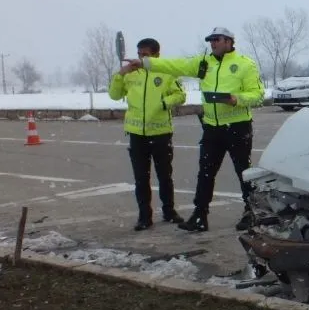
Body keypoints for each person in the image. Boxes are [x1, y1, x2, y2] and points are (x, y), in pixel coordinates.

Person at [122, 27, 265, 233]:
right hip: (212, 128)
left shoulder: (244, 64)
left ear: (229, 41)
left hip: (237, 127)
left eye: (217, 39)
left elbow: (258, 94)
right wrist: (145, 62)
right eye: (211, 40)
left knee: (243, 172)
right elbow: (175, 65)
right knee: (205, 173)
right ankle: (200, 215)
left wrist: (237, 98)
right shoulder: (203, 63)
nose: (213, 43)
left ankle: (252, 212)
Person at [108, 37, 187, 231]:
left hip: (160, 132)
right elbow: (115, 95)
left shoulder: (166, 72)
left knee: (165, 175)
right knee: (141, 178)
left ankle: (169, 211)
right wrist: (120, 74)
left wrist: (163, 103)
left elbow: (180, 96)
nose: (140, 58)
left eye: (145, 55)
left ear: (156, 55)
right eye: (139, 54)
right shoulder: (131, 74)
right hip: (137, 133)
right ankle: (144, 216)